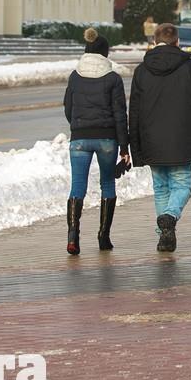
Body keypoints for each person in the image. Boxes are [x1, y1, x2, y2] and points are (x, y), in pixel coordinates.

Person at [129, 22, 191, 252]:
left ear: (154, 42)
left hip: (151, 141)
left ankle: (164, 234)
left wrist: (134, 147)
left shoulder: (141, 71)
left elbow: (134, 112)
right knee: (182, 186)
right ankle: (169, 216)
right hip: (183, 140)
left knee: (160, 188)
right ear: (177, 42)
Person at [63, 29, 129, 255]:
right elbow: (120, 114)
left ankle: (73, 237)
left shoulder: (74, 76)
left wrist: (79, 124)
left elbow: (68, 108)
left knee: (77, 186)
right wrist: (124, 147)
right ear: (105, 54)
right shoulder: (113, 78)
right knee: (108, 184)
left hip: (79, 139)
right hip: (107, 139)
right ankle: (104, 237)